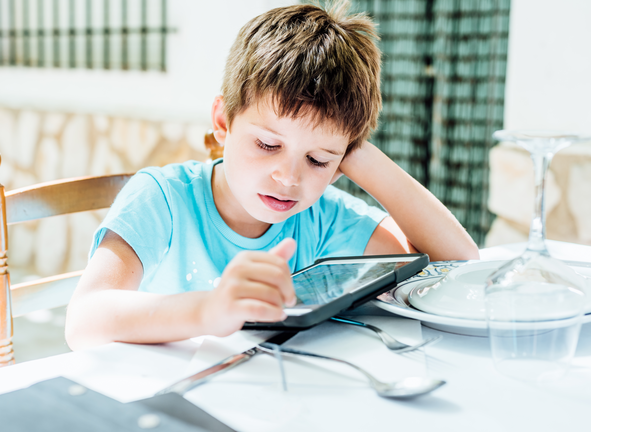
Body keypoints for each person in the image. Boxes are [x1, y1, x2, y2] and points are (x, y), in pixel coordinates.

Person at [65, 0, 479, 350]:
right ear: (223, 122)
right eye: (267, 145)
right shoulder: (163, 199)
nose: (289, 177)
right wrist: (210, 311)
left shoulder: (324, 217)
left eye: (317, 160)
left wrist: (357, 154)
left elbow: (455, 262)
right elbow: (83, 319)